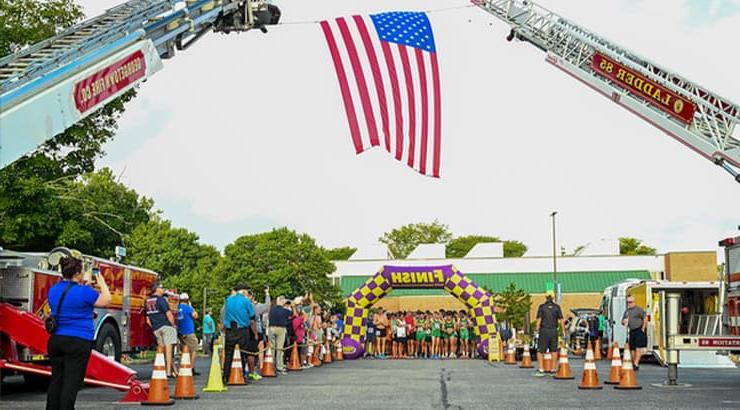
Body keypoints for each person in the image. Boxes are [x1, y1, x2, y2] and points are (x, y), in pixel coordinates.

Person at [46, 256, 111, 410]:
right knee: (71, 383)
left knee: (56, 381)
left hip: (56, 339)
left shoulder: (53, 289)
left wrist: (82, 286)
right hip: (78, 340)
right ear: (77, 273)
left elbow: (65, 300)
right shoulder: (85, 292)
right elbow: (106, 300)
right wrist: (101, 282)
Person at [222, 284, 257, 384]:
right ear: (244, 291)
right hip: (242, 329)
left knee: (229, 354)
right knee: (242, 354)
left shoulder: (228, 300)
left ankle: (226, 376)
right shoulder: (246, 301)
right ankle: (241, 376)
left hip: (230, 329)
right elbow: (252, 316)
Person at [146, 283, 178, 377]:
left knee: (162, 350)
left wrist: (153, 327)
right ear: (156, 289)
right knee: (169, 350)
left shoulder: (147, 301)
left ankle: (174, 371)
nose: (163, 289)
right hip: (166, 326)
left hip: (156, 328)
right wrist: (173, 326)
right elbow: (169, 314)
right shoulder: (161, 300)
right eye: (161, 287)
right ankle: (168, 372)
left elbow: (147, 319)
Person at [535, 290, 565, 376]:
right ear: (553, 297)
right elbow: (562, 320)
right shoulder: (557, 307)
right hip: (553, 330)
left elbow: (539, 320)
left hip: (544, 330)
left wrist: (536, 330)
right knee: (554, 350)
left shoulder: (542, 307)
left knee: (540, 350)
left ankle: (541, 369)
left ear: (545, 297)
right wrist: (563, 331)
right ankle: (553, 369)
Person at [622, 295, 648, 370]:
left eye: (630, 302)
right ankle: (634, 362)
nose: (628, 304)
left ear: (633, 302)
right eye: (627, 302)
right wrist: (624, 322)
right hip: (632, 330)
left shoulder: (638, 309)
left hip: (639, 330)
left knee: (637, 348)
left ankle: (636, 364)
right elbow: (623, 321)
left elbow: (645, 318)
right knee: (632, 349)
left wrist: (643, 328)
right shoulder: (626, 311)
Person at [177, 293, 200, 375]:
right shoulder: (188, 308)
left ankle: (183, 366)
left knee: (184, 350)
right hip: (189, 331)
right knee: (194, 349)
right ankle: (191, 367)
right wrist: (191, 306)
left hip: (180, 331)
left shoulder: (177, 307)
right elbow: (195, 316)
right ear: (187, 300)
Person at [269, 297, 292, 374]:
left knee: (271, 348)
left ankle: (270, 365)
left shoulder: (272, 309)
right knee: (279, 348)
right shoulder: (285, 311)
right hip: (281, 329)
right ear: (282, 302)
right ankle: (279, 366)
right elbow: (293, 315)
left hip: (271, 328)